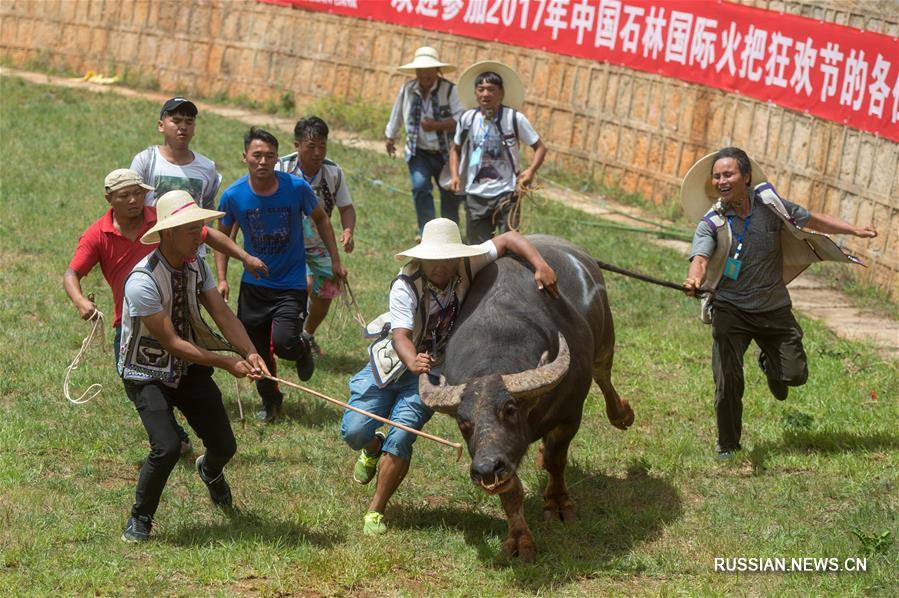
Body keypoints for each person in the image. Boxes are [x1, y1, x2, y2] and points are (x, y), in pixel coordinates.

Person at [340, 218, 559, 536]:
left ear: (457, 256)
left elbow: (510, 238)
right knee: (354, 430)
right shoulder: (405, 285)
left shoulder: (469, 264)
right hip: (393, 362)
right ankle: (371, 446)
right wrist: (412, 359)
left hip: (433, 372)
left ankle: (375, 510)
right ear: (422, 257)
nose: (439, 267)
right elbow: (401, 335)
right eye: (432, 260)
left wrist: (540, 265)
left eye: (446, 259)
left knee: (401, 435)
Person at [681, 147, 878, 461]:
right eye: (717, 176)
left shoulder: (771, 206)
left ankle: (772, 367)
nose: (721, 180)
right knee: (727, 379)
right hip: (731, 310)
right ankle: (728, 444)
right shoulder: (712, 223)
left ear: (746, 177)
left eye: (728, 174)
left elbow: (812, 219)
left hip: (773, 307)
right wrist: (694, 279)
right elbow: (700, 258)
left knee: (796, 374)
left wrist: (853, 230)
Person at [63, 168, 268, 455]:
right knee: (150, 390)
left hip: (180, 319)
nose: (134, 200)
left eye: (139, 192)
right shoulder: (98, 235)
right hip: (133, 325)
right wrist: (80, 301)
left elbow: (207, 236)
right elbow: (71, 274)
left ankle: (180, 440)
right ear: (109, 198)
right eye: (126, 195)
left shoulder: (167, 218)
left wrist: (244, 256)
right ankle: (171, 437)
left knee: (184, 381)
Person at [117, 189, 270, 543]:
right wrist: (225, 361)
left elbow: (221, 312)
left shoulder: (196, 264)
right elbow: (171, 342)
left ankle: (210, 470)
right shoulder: (143, 281)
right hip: (147, 373)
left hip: (189, 369)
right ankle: (140, 518)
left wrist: (248, 351)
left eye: (200, 225)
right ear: (169, 232)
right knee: (167, 446)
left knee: (224, 445)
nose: (200, 232)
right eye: (191, 227)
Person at [215, 127, 348, 423]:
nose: (263, 161)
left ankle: (301, 350)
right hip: (254, 287)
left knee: (285, 341)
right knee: (256, 352)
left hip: (290, 284)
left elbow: (322, 219)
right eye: (257, 155)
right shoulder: (234, 196)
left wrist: (334, 260)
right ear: (245, 157)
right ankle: (271, 399)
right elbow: (221, 238)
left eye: (269, 156)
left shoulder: (296, 187)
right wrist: (222, 278)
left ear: (277, 158)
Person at [276, 116, 356, 357]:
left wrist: (348, 230)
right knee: (303, 284)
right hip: (283, 239)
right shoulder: (281, 168)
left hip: (318, 238)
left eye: (322, 145)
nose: (318, 152)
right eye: (311, 146)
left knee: (328, 285)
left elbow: (346, 207)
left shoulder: (333, 171)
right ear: (297, 145)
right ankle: (284, 333)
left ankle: (306, 335)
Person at [449, 60, 547, 244]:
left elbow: (540, 147)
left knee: (511, 246)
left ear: (501, 93)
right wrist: (455, 175)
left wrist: (530, 172)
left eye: (491, 89)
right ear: (475, 93)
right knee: (477, 249)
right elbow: (455, 148)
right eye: (481, 89)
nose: (485, 94)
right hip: (475, 194)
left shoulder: (514, 119)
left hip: (507, 194)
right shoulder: (467, 119)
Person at [385, 46, 464, 237]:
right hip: (418, 150)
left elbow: (462, 120)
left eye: (429, 70)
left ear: (437, 71)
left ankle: (449, 235)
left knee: (449, 195)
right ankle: (427, 232)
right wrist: (390, 136)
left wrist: (436, 125)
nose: (425, 74)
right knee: (420, 187)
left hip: (446, 153)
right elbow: (397, 113)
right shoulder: (408, 89)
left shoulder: (450, 90)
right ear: (416, 72)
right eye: (421, 70)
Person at [130, 97, 221, 210]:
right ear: (161, 126)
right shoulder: (145, 161)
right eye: (176, 121)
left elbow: (207, 208)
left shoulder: (207, 167)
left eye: (189, 122)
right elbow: (130, 202)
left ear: (194, 127)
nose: (183, 127)